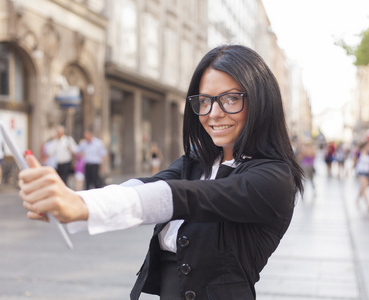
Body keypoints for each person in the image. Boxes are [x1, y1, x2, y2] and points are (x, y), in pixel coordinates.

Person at [18, 45, 304, 300]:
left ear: (260, 101)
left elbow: (189, 198)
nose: (213, 113)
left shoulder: (274, 178)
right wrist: (70, 201)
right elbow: (148, 186)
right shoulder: (197, 162)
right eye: (204, 101)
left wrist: (80, 207)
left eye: (230, 99)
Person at [354, 142, 369, 211]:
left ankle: (357, 199)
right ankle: (368, 203)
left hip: (368, 172)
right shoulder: (359, 153)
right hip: (361, 172)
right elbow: (355, 161)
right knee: (364, 186)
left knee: (363, 187)